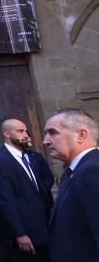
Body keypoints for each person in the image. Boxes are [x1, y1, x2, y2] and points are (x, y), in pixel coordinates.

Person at [0, 118, 53, 262]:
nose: (26, 134)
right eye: (20, 131)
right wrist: (20, 233)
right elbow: (6, 199)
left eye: (25, 130)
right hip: (25, 234)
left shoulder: (30, 156)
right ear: (7, 134)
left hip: (44, 226)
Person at [43, 108, 99, 260]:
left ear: (81, 135)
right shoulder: (76, 170)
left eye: (53, 132)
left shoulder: (92, 170)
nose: (46, 141)